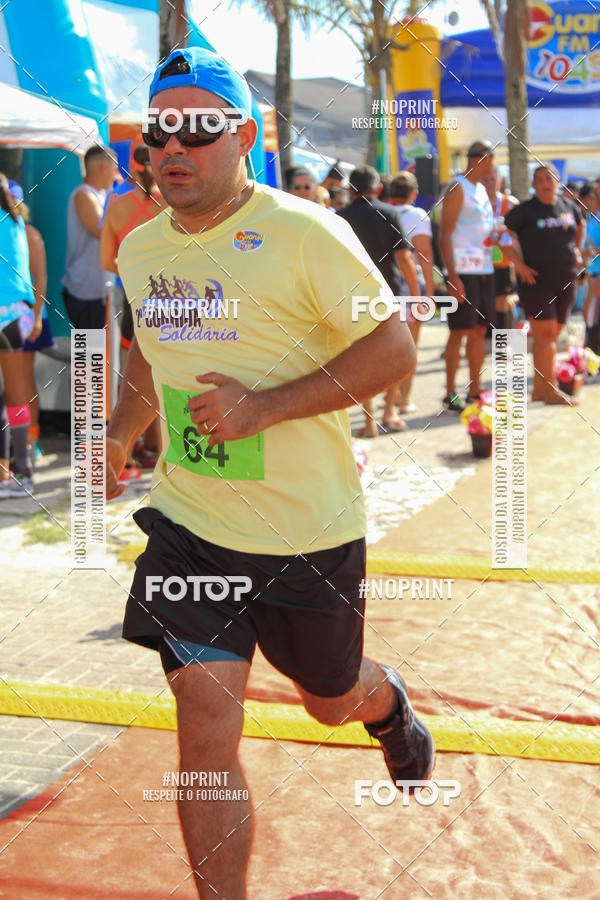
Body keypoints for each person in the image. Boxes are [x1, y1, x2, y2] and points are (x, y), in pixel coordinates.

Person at [106, 47, 434, 899]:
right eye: (159, 131)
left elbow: (396, 348)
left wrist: (263, 406)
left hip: (306, 532)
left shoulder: (305, 233)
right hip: (190, 527)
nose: (173, 147)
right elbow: (152, 349)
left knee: (330, 700)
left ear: (244, 135)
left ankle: (386, 703)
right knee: (206, 726)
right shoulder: (141, 249)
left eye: (198, 130)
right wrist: (116, 435)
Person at [337, 164, 420, 435]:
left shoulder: (340, 217)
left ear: (350, 190)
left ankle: (369, 420)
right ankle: (390, 412)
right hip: (388, 294)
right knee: (394, 354)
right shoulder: (389, 213)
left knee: (361, 358)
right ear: (379, 188)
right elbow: (404, 257)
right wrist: (417, 295)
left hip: (353, 295)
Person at [100, 137, 166, 473]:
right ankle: (156, 448)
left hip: (133, 297)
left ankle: (125, 453)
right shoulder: (171, 204)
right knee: (164, 374)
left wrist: (132, 273)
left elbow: (106, 259)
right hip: (170, 297)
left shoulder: (115, 205)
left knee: (133, 378)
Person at [503, 164, 585, 404]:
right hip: (536, 282)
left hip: (566, 279)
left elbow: (579, 227)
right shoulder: (525, 210)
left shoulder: (569, 207)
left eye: (549, 179)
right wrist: (517, 264)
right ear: (533, 184)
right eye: (539, 180)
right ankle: (551, 390)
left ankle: (539, 389)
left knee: (552, 333)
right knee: (546, 334)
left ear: (558, 181)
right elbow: (500, 235)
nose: (545, 184)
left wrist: (578, 251)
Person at [438, 140, 496, 412]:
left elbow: (484, 229)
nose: (493, 166)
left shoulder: (482, 189)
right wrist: (452, 276)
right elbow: (444, 233)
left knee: (479, 332)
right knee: (458, 332)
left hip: (485, 269)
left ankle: (475, 389)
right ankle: (449, 393)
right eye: (491, 160)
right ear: (482, 159)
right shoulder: (457, 187)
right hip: (463, 271)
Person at [0, 173, 38, 497]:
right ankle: (20, 471)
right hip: (19, 315)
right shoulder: (16, 221)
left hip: (3, 314)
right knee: (15, 396)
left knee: (9, 397)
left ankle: (20, 473)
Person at [389, 170, 435, 414]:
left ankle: (391, 398)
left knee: (390, 345)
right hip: (410, 284)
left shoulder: (383, 211)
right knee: (409, 346)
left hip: (386, 283)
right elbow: (424, 253)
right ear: (414, 194)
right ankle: (403, 400)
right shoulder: (417, 215)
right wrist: (428, 292)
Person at [10, 181, 50, 461]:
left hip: (26, 318)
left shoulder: (29, 234)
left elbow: (40, 278)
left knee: (22, 381)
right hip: (13, 317)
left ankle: (29, 441)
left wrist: (36, 316)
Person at [62, 145, 118, 330]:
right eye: (114, 168)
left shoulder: (101, 194)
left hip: (98, 290)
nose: (116, 174)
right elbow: (102, 233)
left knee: (98, 353)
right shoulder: (84, 195)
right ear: (103, 167)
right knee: (87, 353)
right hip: (85, 291)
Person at [480, 167, 518, 331]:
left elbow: (518, 232)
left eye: (492, 180)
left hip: (503, 259)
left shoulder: (510, 203)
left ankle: (502, 340)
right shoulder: (475, 203)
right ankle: (487, 335)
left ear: (500, 182)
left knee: (503, 300)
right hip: (480, 260)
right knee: (484, 299)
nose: (489, 184)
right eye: (485, 180)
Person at [580, 184, 600, 354]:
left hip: (598, 276)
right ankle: (591, 355)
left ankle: (593, 357)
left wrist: (591, 251)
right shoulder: (590, 219)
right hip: (592, 273)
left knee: (592, 316)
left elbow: (592, 248)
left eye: (583, 201)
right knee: (589, 315)